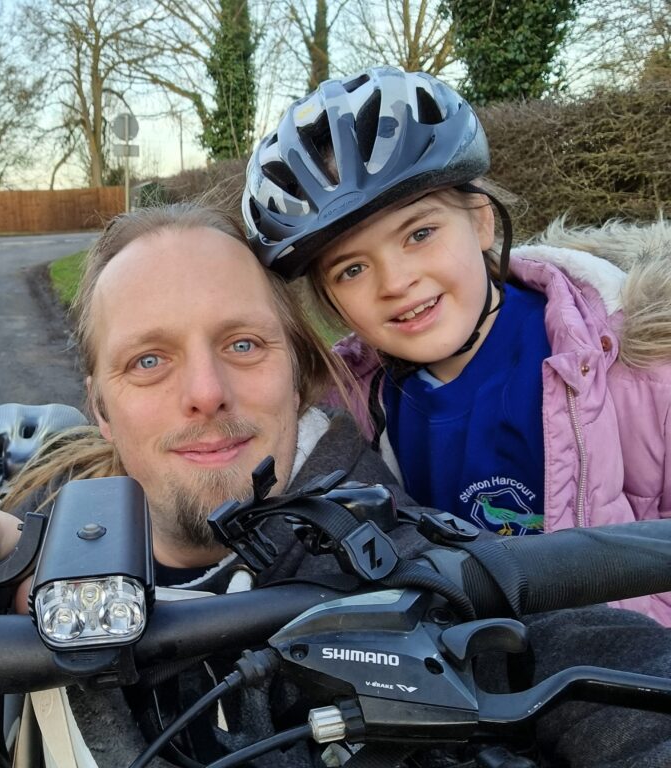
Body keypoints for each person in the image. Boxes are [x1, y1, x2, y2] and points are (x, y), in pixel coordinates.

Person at [0, 202, 671, 767]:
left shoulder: (420, 554)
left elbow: (616, 677)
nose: (206, 391)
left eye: (245, 345)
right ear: (101, 409)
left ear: (300, 377)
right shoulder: (17, 552)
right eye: (149, 360)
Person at [241, 65, 671, 625]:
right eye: (351, 269)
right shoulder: (348, 408)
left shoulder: (639, 360)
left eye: (419, 234)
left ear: (482, 222)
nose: (395, 282)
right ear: (330, 301)